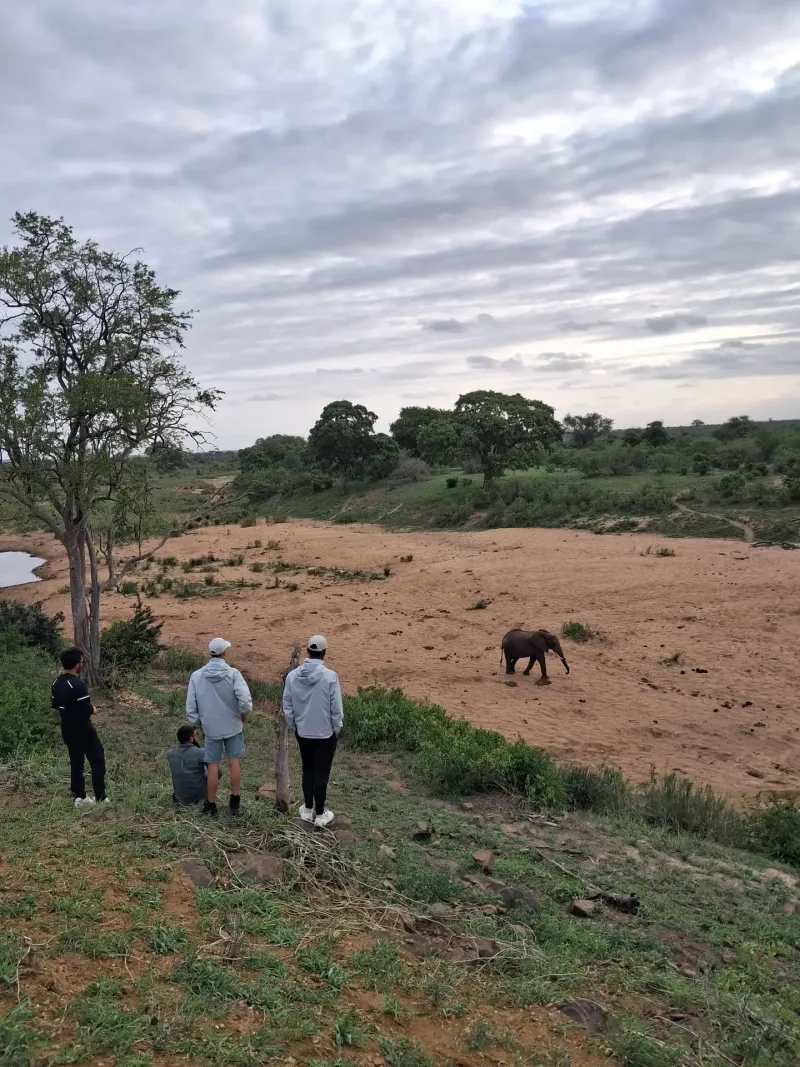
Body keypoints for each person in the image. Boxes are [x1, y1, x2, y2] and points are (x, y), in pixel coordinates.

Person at [186, 637, 252, 816]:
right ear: (224, 653)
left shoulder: (197, 676)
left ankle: (211, 804)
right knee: (234, 762)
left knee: (212, 765)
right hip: (232, 725)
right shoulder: (233, 674)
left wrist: (199, 722)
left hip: (211, 728)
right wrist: (243, 712)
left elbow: (191, 707)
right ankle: (235, 800)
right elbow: (245, 700)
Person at [282, 635, 343, 828]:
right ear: (324, 652)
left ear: (308, 651)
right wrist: (336, 728)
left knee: (307, 769)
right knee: (321, 773)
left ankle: (307, 809)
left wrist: (295, 724)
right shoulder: (330, 677)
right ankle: (320, 813)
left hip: (303, 732)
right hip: (324, 734)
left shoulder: (293, 676)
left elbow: (287, 705)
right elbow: (336, 709)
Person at [51, 648, 107, 809]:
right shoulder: (78, 685)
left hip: (67, 730)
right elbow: (86, 708)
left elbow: (57, 706)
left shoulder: (56, 683)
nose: (82, 665)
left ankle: (80, 796)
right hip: (84, 730)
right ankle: (100, 796)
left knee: (76, 762)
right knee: (97, 759)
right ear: (76, 665)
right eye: (82, 662)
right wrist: (93, 710)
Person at [167, 724, 221, 806]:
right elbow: (218, 772)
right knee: (211, 771)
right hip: (199, 799)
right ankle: (209, 800)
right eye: (196, 734)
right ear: (191, 738)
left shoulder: (170, 753)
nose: (198, 736)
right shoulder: (201, 752)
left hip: (180, 798)